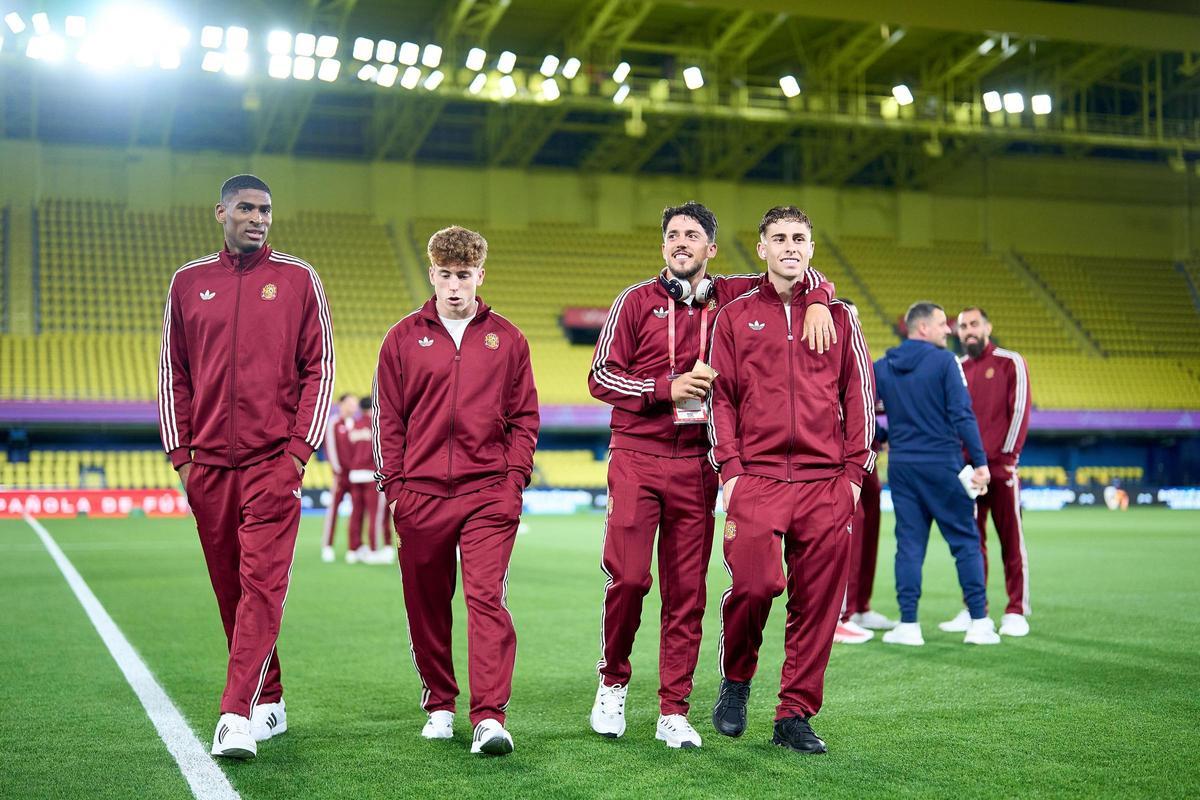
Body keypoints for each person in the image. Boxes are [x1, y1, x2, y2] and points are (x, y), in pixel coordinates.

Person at [587, 201, 836, 749]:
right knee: (628, 580)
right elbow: (600, 376)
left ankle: (673, 709)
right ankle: (612, 682)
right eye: (673, 235)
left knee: (688, 593)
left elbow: (794, 267)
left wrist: (820, 300)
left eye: (693, 235)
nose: (682, 243)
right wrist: (662, 388)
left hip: (700, 462)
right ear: (663, 246)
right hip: (636, 456)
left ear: (711, 249)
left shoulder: (730, 295)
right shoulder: (634, 301)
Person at [158, 174, 335, 759]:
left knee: (262, 586)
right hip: (206, 466)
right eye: (246, 208)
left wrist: (296, 455)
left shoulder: (298, 279)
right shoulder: (187, 283)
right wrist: (182, 458)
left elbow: (320, 369)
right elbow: (173, 373)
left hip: (271, 464)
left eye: (265, 210)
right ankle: (271, 697)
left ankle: (235, 715)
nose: (258, 218)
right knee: (231, 589)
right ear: (221, 212)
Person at [707, 205, 875, 755]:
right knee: (755, 587)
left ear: (811, 248)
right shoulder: (733, 316)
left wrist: (854, 474)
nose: (789, 246)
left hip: (827, 480)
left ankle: (794, 714)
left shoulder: (843, 318)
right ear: (762, 248)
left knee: (819, 603)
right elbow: (722, 399)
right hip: (756, 478)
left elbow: (861, 399)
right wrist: (729, 470)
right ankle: (736, 680)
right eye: (778, 238)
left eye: (799, 238)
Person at [373, 225, 538, 756]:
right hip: (419, 494)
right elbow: (388, 421)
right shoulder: (401, 338)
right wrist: (395, 488)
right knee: (426, 605)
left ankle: (489, 716)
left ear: (480, 276)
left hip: (489, 492)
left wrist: (513, 482)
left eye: (463, 275)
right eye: (444, 275)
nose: (453, 286)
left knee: (486, 599)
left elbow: (525, 419)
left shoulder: (508, 338)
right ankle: (441, 703)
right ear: (432, 274)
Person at [873, 301, 999, 648]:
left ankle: (909, 624)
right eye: (943, 324)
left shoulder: (882, 366)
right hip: (943, 464)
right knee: (965, 542)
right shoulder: (946, 362)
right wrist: (981, 463)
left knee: (909, 547)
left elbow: (862, 415)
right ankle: (978, 621)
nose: (949, 330)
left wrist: (885, 438)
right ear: (923, 328)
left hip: (902, 468)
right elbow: (962, 414)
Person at [941, 307, 1032, 637]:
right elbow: (951, 419)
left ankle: (1016, 610)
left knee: (1011, 541)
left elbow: (1019, 411)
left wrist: (1006, 459)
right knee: (971, 543)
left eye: (974, 324)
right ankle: (973, 607)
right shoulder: (958, 369)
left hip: (1001, 468)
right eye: (962, 326)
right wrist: (961, 464)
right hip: (969, 474)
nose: (968, 331)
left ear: (987, 327)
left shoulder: (1010, 362)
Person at [833, 299, 896, 645]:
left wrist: (881, 436)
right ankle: (840, 613)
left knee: (869, 528)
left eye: (855, 318)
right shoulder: (827, 356)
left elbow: (868, 409)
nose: (851, 324)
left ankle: (860, 605)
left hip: (866, 453)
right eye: (846, 317)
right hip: (842, 457)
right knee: (847, 531)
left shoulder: (863, 360)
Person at [321, 393, 358, 563]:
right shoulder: (334, 423)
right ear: (342, 404)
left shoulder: (357, 425)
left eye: (355, 404)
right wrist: (337, 471)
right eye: (350, 403)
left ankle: (354, 548)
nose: (353, 407)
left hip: (356, 476)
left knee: (357, 513)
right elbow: (331, 448)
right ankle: (327, 546)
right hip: (340, 475)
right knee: (333, 511)